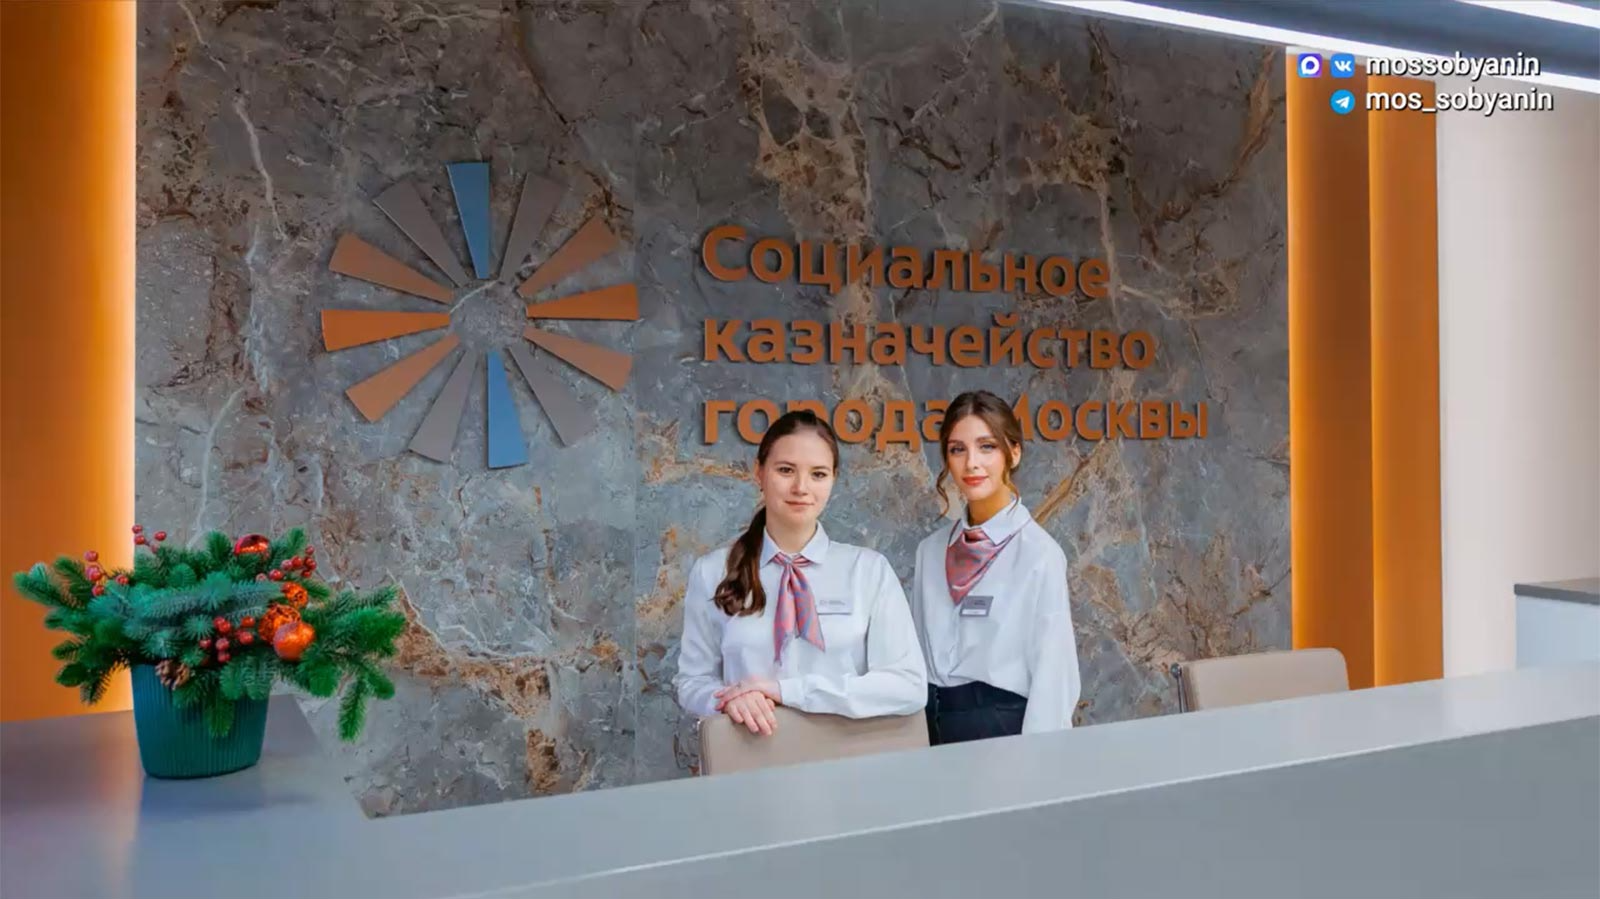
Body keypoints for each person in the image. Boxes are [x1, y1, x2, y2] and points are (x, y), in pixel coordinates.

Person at [673, 410, 927, 736]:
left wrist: (790, 692)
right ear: (759, 472)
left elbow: (908, 686)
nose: (801, 487)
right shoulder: (712, 572)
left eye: (818, 474)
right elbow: (692, 681)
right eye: (785, 470)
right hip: (753, 751)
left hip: (849, 754)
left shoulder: (868, 571)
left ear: (833, 479)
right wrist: (728, 700)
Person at [912, 390, 1081, 744]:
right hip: (931, 732)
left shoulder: (1039, 555)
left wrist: (1040, 762)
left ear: (1013, 452)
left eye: (986, 447)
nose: (971, 463)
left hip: (1005, 734)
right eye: (957, 449)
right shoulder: (930, 552)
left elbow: (1054, 678)